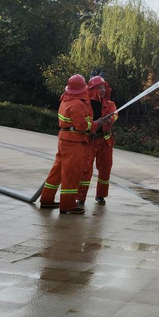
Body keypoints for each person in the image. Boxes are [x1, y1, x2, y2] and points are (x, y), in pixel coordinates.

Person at [39, 74, 108, 214]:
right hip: (74, 141)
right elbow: (82, 125)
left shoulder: (66, 100)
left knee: (57, 171)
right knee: (71, 173)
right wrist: (97, 123)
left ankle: (47, 199)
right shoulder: (77, 104)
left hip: (65, 138)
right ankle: (68, 205)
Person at [79, 74, 118, 206]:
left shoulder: (109, 104)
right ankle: (81, 197)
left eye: (104, 87)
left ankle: (101, 195)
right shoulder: (85, 105)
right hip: (90, 140)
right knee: (85, 169)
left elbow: (115, 114)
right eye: (99, 87)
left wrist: (110, 118)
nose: (102, 90)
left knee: (105, 168)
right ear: (92, 89)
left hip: (105, 141)